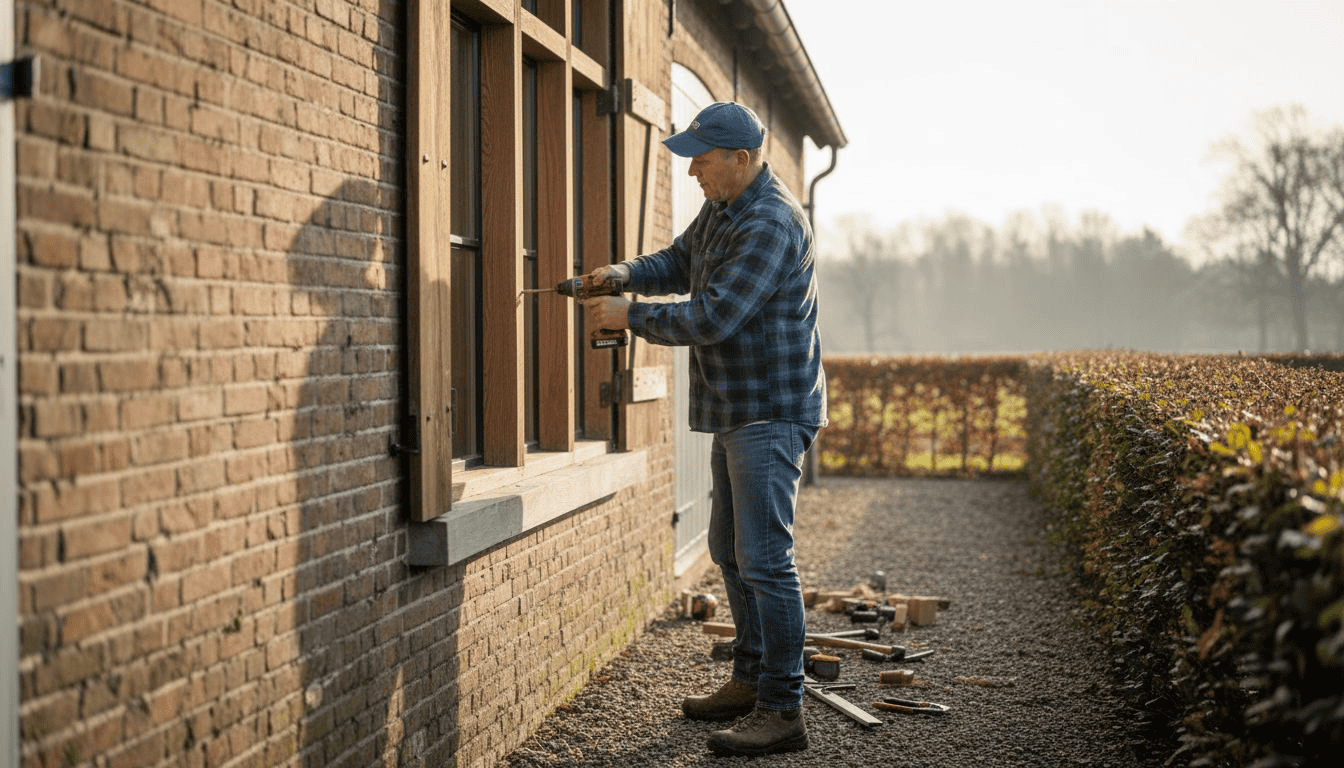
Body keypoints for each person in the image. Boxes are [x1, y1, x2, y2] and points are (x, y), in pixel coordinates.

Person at [585, 101, 826, 758]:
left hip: (770, 411)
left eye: (702, 159)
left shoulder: (771, 222)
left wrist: (629, 315)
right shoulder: (724, 207)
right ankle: (749, 679)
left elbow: (715, 315)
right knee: (728, 547)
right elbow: (680, 260)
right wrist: (626, 274)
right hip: (734, 409)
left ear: (741, 160)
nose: (692, 171)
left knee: (766, 560)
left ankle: (783, 708)